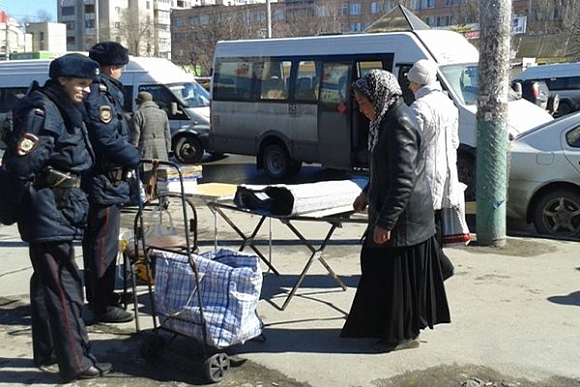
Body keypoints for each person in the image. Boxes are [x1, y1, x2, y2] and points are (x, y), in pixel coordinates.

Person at [1, 54, 113, 382]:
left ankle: (48, 350)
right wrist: (10, 209)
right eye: (81, 84)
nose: (87, 91)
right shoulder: (43, 111)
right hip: (48, 209)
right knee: (65, 287)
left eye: (90, 85)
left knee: (47, 283)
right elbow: (22, 166)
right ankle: (75, 362)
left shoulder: (59, 106)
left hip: (56, 207)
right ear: (62, 81)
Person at [340, 69, 451, 352]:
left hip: (406, 219)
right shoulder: (385, 119)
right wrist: (366, 194)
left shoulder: (399, 121)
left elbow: (403, 180)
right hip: (396, 211)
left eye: (362, 102)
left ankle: (402, 334)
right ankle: (384, 326)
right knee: (379, 270)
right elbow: (384, 168)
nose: (360, 108)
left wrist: (385, 223)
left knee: (397, 279)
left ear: (378, 98)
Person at [83, 42, 141, 324]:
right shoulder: (100, 94)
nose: (120, 72)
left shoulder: (103, 91)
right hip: (103, 182)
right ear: (111, 67)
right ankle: (102, 305)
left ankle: (100, 296)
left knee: (100, 243)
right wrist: (136, 158)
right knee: (102, 244)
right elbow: (106, 138)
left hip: (107, 182)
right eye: (120, 67)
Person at [408, 59, 462, 279]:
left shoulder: (419, 107)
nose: (410, 87)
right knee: (436, 221)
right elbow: (455, 142)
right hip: (447, 171)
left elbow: (410, 144)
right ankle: (431, 269)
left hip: (425, 175)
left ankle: (437, 268)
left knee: (423, 225)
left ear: (417, 83)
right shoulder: (448, 103)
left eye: (411, 82)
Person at [130, 91, 172, 161]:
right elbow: (167, 134)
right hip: (161, 149)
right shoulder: (162, 113)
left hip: (145, 149)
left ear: (140, 101)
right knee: (161, 168)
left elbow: (136, 134)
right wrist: (168, 149)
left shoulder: (138, 113)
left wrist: (133, 149)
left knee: (147, 169)